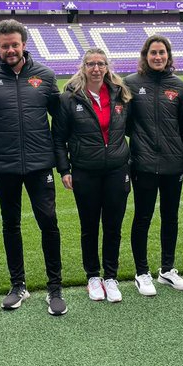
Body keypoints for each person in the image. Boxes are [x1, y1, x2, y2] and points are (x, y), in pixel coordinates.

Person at [0, 19, 67, 317]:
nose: (10, 49)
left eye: (15, 44)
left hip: (40, 164)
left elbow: (60, 120)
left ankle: (55, 288)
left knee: (48, 222)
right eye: (5, 45)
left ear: (24, 44)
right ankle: (18, 285)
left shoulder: (46, 76)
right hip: (4, 165)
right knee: (10, 224)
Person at [53, 48, 132, 303]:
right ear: (83, 67)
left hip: (117, 171)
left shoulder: (121, 95)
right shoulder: (69, 98)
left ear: (107, 67)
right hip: (85, 171)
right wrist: (65, 170)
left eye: (100, 64)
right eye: (91, 64)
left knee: (113, 226)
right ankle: (93, 276)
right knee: (89, 227)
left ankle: (111, 275)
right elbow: (58, 139)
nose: (96, 69)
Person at [125, 35, 183, 295]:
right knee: (142, 217)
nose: (158, 57)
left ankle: (167, 270)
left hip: (174, 163)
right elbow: (125, 123)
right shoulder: (131, 83)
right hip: (143, 163)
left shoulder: (179, 86)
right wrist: (142, 141)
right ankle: (142, 272)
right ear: (145, 55)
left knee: (170, 217)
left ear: (168, 55)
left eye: (162, 52)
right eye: (153, 52)